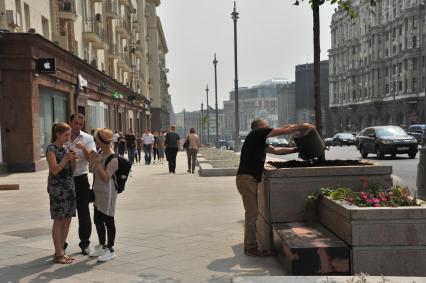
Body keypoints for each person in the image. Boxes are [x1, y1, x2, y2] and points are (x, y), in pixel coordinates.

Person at [236, 118, 314, 257]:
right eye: (266, 125)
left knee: (252, 213)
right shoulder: (258, 133)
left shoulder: (258, 140)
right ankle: (251, 247)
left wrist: (296, 149)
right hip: (247, 179)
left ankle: (250, 246)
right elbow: (284, 130)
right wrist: (304, 125)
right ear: (260, 126)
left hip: (248, 180)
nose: (269, 127)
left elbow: (276, 150)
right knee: (252, 214)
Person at [46, 123, 78, 264]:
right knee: (59, 220)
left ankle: (61, 252)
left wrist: (73, 160)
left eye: (69, 134)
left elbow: (73, 170)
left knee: (68, 219)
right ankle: (58, 254)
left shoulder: (66, 148)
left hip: (69, 186)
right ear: (58, 134)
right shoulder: (51, 149)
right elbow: (54, 170)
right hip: (58, 189)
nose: (68, 137)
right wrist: (65, 159)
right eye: (66, 134)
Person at [89, 128, 119, 262]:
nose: (95, 141)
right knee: (97, 220)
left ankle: (111, 249)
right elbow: (91, 170)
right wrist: (93, 159)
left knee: (108, 220)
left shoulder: (113, 158)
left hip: (108, 193)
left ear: (101, 141)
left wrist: (98, 163)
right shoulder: (100, 153)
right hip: (98, 191)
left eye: (96, 139)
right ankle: (102, 245)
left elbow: (106, 177)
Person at [69, 113, 97, 255]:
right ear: (71, 122)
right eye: (75, 123)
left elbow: (91, 158)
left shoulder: (88, 138)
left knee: (84, 212)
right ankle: (62, 244)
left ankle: (85, 243)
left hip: (81, 177)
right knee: (64, 213)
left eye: (80, 124)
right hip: (65, 179)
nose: (77, 126)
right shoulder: (63, 136)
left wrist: (84, 148)